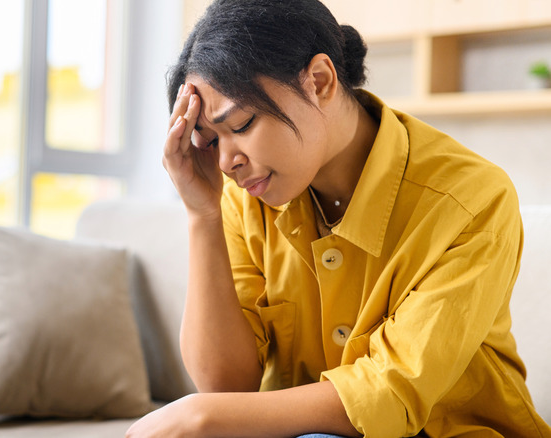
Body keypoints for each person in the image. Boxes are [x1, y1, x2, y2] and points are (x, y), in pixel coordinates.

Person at [125, 0, 551, 437]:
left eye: (242, 123)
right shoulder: (246, 195)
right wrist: (202, 216)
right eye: (211, 141)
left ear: (320, 81)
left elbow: (390, 392)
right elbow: (225, 386)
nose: (227, 161)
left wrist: (200, 416)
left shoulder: (472, 199)